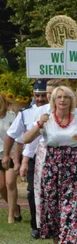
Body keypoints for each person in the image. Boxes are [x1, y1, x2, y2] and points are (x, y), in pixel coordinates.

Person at [21, 85, 77, 244]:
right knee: (53, 204)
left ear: (71, 101)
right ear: (53, 101)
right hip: (52, 165)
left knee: (73, 203)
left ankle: (65, 242)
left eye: (66, 97)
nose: (62, 100)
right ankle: (56, 239)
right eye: (59, 97)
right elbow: (26, 138)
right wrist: (39, 124)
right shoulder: (46, 119)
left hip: (74, 165)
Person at [6, 81, 50, 235]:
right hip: (33, 157)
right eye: (37, 95)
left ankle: (50, 225)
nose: (40, 99)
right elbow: (18, 138)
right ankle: (36, 226)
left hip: (53, 156)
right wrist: (18, 161)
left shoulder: (60, 111)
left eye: (44, 95)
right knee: (32, 191)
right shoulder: (26, 113)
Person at [0, 95, 22, 224]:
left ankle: (11, 215)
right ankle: (16, 207)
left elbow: (18, 135)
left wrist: (15, 154)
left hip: (12, 154)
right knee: (1, 186)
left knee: (10, 183)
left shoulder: (12, 116)